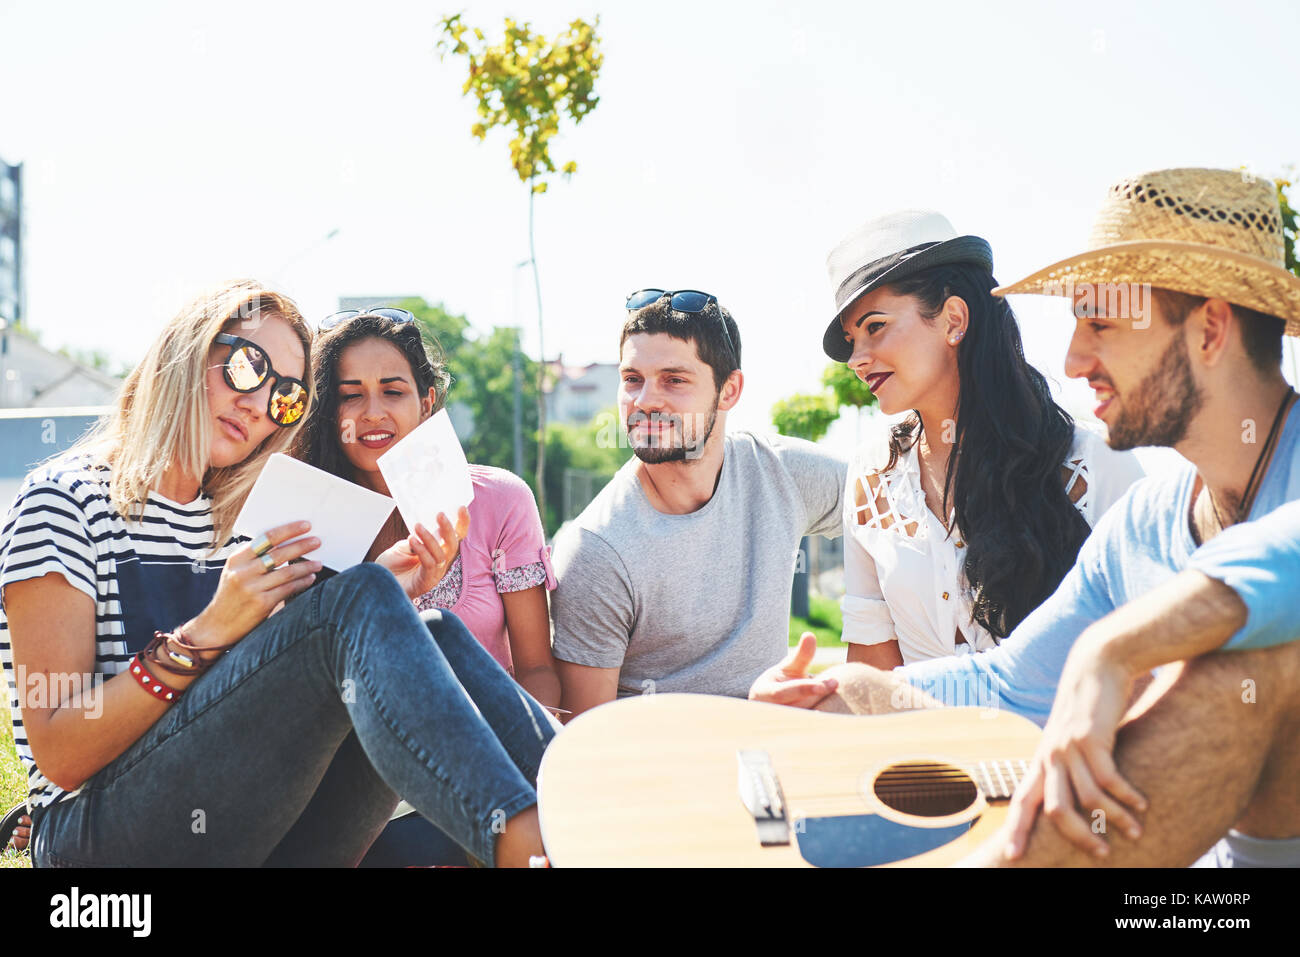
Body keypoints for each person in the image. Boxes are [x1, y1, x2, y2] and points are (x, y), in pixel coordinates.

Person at [751, 167, 1300, 868]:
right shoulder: (1143, 524)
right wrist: (834, 696)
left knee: (1245, 665)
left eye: (1100, 322)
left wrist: (1113, 649)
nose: (1073, 360)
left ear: (1211, 329)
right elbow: (1010, 685)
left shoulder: (1098, 475)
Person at [0, 280, 555, 867]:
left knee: (432, 628)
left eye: (286, 397)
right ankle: (524, 846)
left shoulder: (247, 521)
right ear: (186, 349)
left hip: (242, 822)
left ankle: (586, 809)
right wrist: (204, 635)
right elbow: (60, 752)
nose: (257, 403)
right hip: (98, 837)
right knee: (359, 597)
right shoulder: (64, 501)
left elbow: (274, 695)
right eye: (246, 366)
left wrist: (384, 602)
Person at [292, 307, 559, 866]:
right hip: (363, 794)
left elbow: (535, 668)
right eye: (349, 395)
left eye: (393, 391)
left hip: (495, 773)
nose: (372, 413)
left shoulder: (498, 501)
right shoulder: (309, 520)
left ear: (427, 402)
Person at [823, 210, 1144, 667]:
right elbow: (873, 665)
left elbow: (1152, 660)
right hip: (915, 739)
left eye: (875, 327)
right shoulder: (870, 477)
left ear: (954, 319)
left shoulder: (1092, 464)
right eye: (852, 340)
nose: (857, 358)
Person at [550, 289, 847, 718]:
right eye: (633, 379)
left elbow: (902, 499)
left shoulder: (781, 473)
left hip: (775, 753)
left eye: (674, 379)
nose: (646, 400)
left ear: (729, 390)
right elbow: (587, 743)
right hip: (666, 774)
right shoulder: (595, 550)